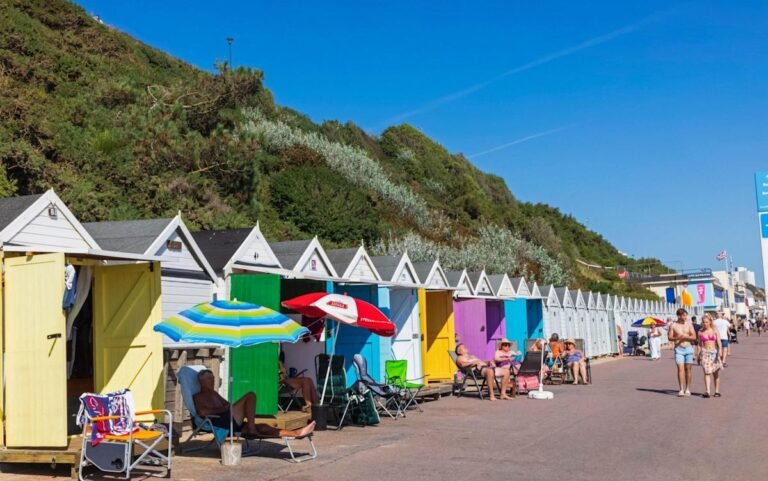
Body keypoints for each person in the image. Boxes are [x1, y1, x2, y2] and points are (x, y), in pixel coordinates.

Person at [194, 369, 316, 437]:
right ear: (201, 382)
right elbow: (202, 412)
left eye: (213, 378)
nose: (213, 380)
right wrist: (223, 409)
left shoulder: (214, 394)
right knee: (250, 395)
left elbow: (227, 404)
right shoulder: (199, 396)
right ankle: (252, 429)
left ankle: (296, 433)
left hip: (231, 420)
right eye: (209, 379)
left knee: (263, 427)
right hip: (221, 423)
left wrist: (228, 407)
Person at [668, 308, 696, 397]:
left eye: (686, 315)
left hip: (688, 348)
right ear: (679, 316)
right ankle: (681, 389)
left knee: (688, 369)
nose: (685, 317)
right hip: (679, 349)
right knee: (680, 369)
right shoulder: (673, 325)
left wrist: (685, 337)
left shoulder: (689, 325)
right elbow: (670, 337)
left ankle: (688, 389)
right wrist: (678, 338)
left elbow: (694, 336)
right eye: (684, 315)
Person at [697, 314, 723, 398]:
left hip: (714, 353)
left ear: (710, 322)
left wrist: (720, 351)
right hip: (705, 353)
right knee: (706, 372)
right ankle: (707, 391)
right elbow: (699, 345)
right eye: (703, 322)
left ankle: (717, 391)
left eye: (707, 322)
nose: (705, 324)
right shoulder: (700, 332)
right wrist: (698, 355)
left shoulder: (714, 331)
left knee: (715, 373)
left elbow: (719, 342)